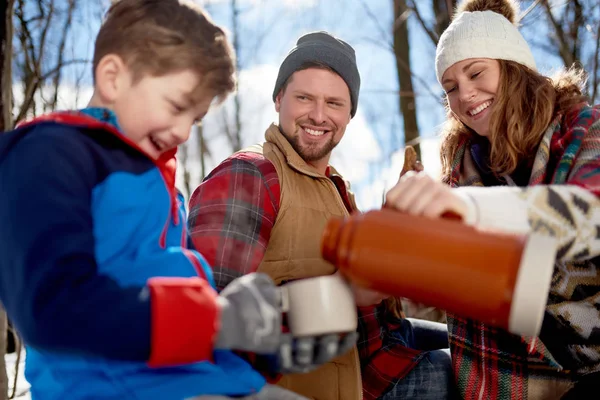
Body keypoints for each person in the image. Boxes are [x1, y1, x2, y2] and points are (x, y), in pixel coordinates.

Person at [0, 1, 344, 399]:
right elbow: (53, 308)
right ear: (113, 77)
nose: (183, 132)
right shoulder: (49, 154)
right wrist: (215, 321)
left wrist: (269, 345)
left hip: (204, 381)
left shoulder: (161, 191)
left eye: (194, 120)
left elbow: (183, 315)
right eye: (176, 107)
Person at [188, 31, 455, 400]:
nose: (318, 114)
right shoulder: (250, 176)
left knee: (482, 344)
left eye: (334, 103)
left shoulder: (336, 187)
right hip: (343, 383)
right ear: (279, 98)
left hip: (380, 349)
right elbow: (207, 322)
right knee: (471, 374)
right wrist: (346, 294)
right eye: (304, 98)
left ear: (349, 114)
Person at [385, 0, 600, 398]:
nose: (465, 95)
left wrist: (471, 210)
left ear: (512, 66)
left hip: (586, 364)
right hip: (498, 373)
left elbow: (590, 215)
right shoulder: (464, 170)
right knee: (406, 350)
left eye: (476, 72)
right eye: (450, 87)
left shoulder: (585, 131)